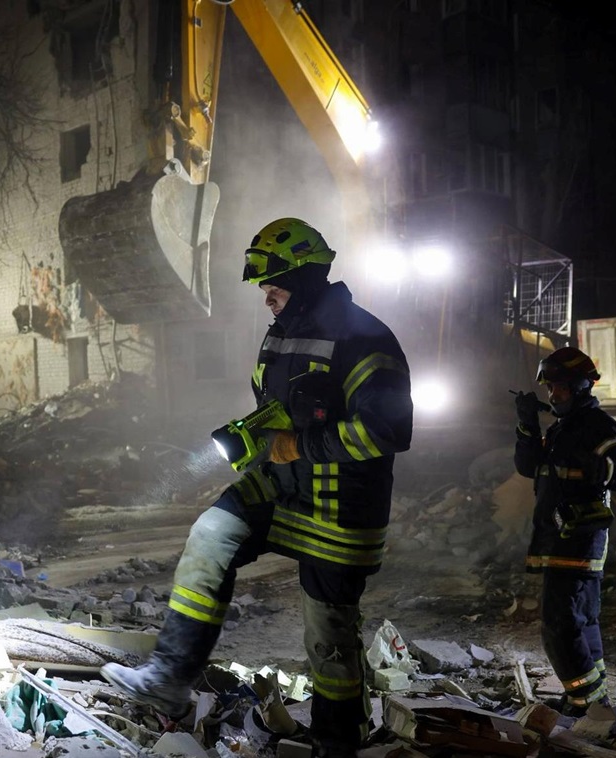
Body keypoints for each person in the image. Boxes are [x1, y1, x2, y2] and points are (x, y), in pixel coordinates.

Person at [101, 217, 414, 757]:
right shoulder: (282, 332)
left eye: (274, 288)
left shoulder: (365, 338)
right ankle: (169, 678)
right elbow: (278, 405)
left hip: (341, 510)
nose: (266, 298)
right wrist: (254, 432)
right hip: (280, 486)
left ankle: (338, 743)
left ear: (305, 279)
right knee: (209, 537)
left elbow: (388, 430)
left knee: (329, 639)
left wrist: (298, 445)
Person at [512, 346, 616, 717]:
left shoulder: (597, 426)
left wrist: (601, 465)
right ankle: (593, 698)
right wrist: (527, 426)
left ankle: (586, 704)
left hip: (579, 541)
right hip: (558, 539)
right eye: (549, 388)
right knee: (582, 621)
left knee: (558, 626)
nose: (553, 395)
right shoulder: (561, 429)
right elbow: (528, 467)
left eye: (560, 387)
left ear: (581, 386)